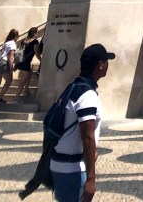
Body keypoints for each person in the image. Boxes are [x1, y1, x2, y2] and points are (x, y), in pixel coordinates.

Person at [46, 42, 115, 202]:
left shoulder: (73, 87)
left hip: (60, 165)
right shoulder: (87, 95)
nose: (107, 65)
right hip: (72, 169)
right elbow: (87, 137)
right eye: (106, 61)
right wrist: (91, 179)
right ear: (100, 65)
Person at [13, 27, 43, 101]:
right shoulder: (35, 42)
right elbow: (37, 53)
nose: (38, 34)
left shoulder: (24, 40)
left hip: (21, 61)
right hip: (26, 63)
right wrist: (42, 61)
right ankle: (16, 98)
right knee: (22, 81)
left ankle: (26, 90)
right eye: (37, 32)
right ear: (34, 33)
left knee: (30, 72)